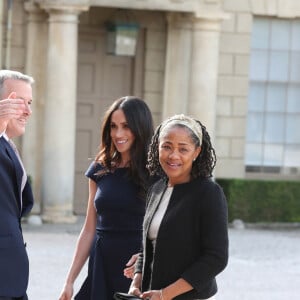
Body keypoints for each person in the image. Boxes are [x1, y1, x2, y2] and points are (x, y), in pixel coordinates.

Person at [59, 96, 154, 300]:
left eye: (126, 126)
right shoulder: (100, 169)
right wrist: (69, 281)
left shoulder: (156, 172)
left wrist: (147, 259)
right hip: (101, 265)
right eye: (113, 126)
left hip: (137, 268)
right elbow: (88, 230)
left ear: (140, 127)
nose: (118, 134)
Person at [129, 114, 229, 300]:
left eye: (183, 149)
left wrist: (166, 294)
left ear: (196, 152)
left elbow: (216, 258)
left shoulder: (208, 193)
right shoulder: (156, 189)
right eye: (166, 146)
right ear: (157, 146)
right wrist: (136, 281)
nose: (173, 155)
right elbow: (148, 246)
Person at [0, 70, 35, 300]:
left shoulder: (8, 145)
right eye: (19, 102)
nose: (27, 111)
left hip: (11, 280)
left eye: (29, 103)